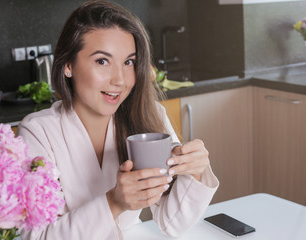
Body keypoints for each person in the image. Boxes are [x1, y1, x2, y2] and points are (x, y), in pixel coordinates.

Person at [18, 1, 219, 239]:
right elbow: (35, 236)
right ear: (68, 65)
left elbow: (172, 223)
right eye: (102, 61)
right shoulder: (37, 132)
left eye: (128, 62)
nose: (120, 80)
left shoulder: (149, 115)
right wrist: (114, 202)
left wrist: (196, 170)